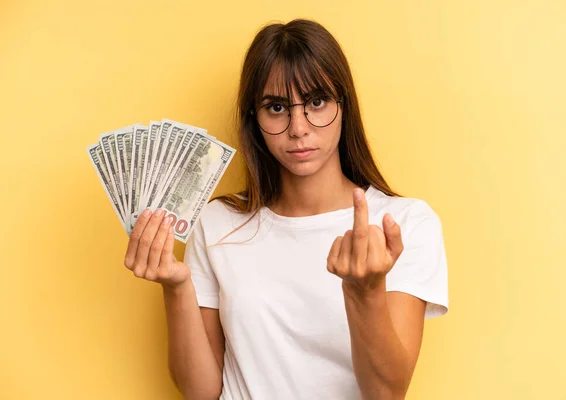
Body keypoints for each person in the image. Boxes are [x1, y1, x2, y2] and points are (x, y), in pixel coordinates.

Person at [124, 18, 449, 400]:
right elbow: (201, 392)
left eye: (316, 101)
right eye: (276, 107)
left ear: (344, 106)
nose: (298, 127)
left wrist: (367, 291)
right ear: (254, 119)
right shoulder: (217, 224)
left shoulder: (406, 224)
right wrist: (175, 287)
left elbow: (387, 393)